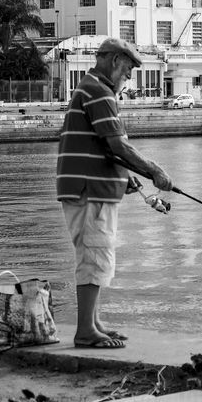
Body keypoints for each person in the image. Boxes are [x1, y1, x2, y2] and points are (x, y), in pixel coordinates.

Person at [56, 37, 172, 349]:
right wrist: (154, 171)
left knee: (96, 254)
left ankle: (93, 323)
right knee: (94, 256)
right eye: (130, 68)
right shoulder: (98, 91)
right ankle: (85, 331)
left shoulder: (93, 88)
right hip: (88, 189)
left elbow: (104, 148)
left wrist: (125, 178)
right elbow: (118, 144)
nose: (130, 76)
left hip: (92, 185)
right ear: (115, 61)